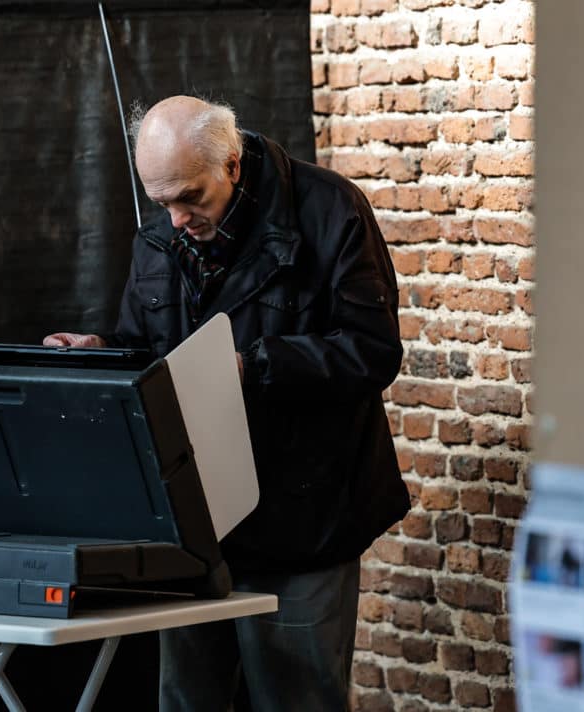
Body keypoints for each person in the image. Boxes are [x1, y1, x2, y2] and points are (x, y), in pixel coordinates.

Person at [44, 95, 410, 711]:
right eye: (162, 202)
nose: (178, 218)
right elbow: (145, 348)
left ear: (232, 166)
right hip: (194, 522)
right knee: (188, 699)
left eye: (192, 197)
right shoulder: (160, 231)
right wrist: (101, 348)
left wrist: (252, 365)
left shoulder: (330, 210)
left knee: (297, 698)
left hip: (304, 517)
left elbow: (373, 352)